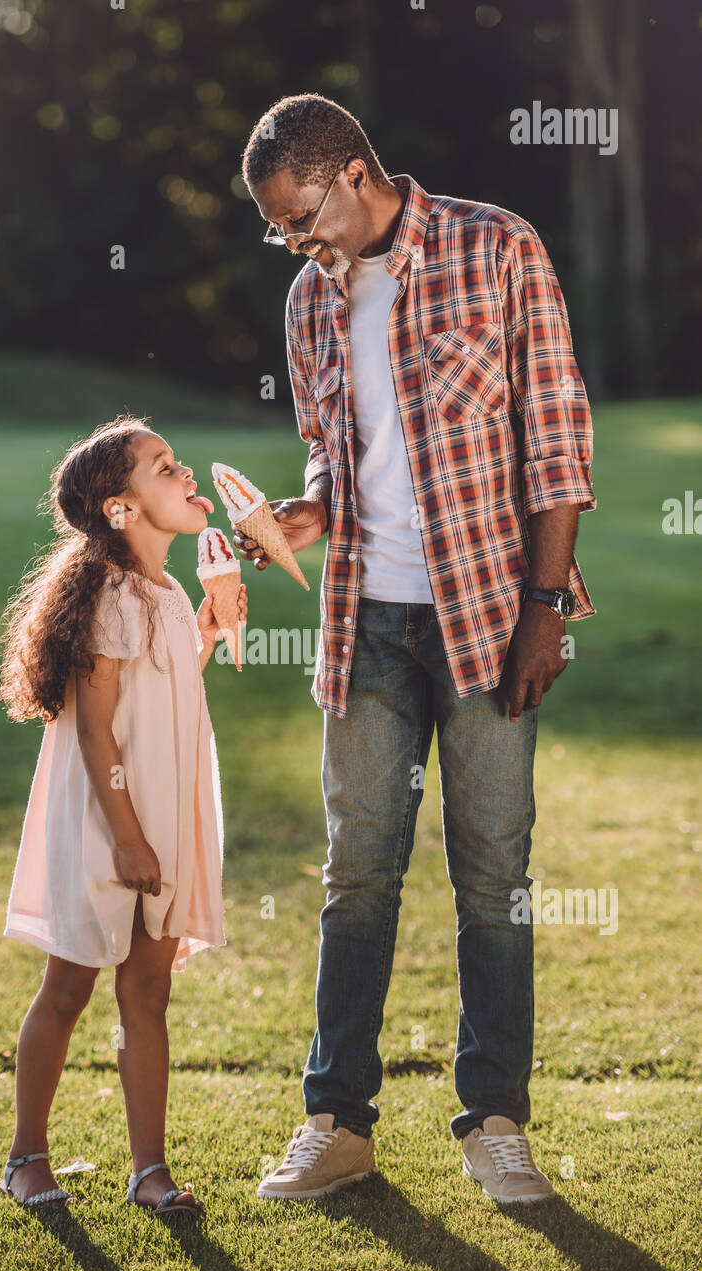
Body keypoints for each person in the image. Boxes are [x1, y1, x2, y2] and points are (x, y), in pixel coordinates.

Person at [237, 94, 596, 1204]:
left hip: (490, 616)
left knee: (494, 877)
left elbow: (558, 439)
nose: (297, 245)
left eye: (301, 217)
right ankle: (337, 1121)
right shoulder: (309, 302)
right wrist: (300, 516)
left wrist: (545, 604)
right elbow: (338, 469)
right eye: (282, 232)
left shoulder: (498, 246)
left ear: (350, 171)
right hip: (366, 627)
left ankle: (494, 1121)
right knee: (357, 875)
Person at [0, 416, 245, 1215]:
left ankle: (149, 1171)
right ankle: (26, 1155)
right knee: (67, 986)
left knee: (147, 990)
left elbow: (163, 690)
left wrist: (204, 628)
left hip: (162, 812)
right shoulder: (108, 594)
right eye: (163, 468)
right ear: (120, 508)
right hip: (108, 818)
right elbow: (99, 728)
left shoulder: (166, 591)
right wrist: (128, 836)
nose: (185, 474)